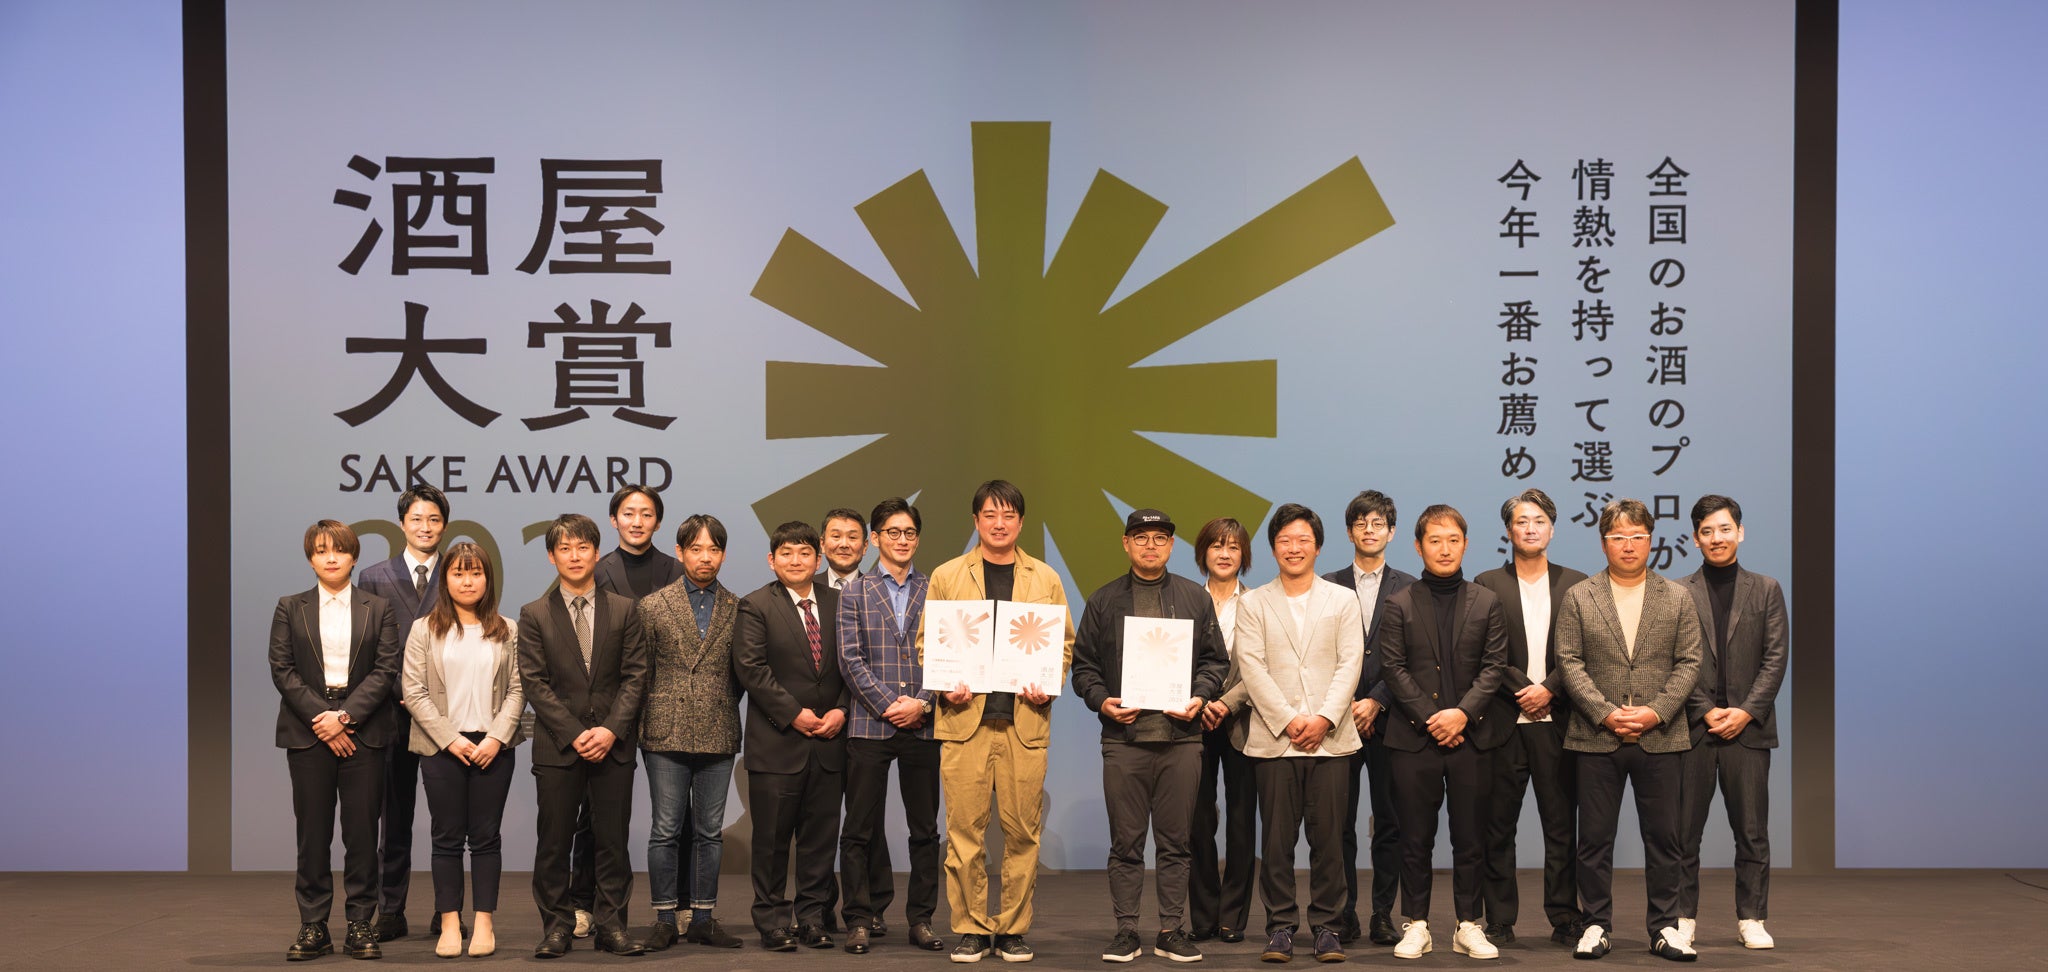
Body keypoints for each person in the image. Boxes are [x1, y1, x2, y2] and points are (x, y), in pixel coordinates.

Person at [922, 480, 1074, 964]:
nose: (999, 523)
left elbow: (1063, 645)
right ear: (976, 521)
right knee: (964, 833)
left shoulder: (1044, 578)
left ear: (1021, 522)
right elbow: (928, 643)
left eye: (1008, 515)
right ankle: (970, 928)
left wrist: (1049, 683)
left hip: (1023, 723)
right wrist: (943, 683)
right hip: (963, 722)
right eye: (990, 514)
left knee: (1022, 834)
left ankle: (1011, 929)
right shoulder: (948, 575)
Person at [1071, 509, 1231, 963]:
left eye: (1160, 538)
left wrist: (1199, 696)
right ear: (1126, 544)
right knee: (1125, 843)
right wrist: (1102, 701)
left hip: (1182, 739)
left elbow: (1215, 662)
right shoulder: (1103, 600)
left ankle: (1171, 929)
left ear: (1172, 546)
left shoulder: (1194, 598)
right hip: (1124, 741)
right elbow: (1083, 667)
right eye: (1141, 537)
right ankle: (1126, 930)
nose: (1150, 546)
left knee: (1176, 843)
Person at [1553, 499, 1702, 962]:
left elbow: (1689, 662)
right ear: (1604, 544)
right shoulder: (1581, 596)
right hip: (1597, 736)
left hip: (1662, 736)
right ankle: (1596, 924)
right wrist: (1604, 713)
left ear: (1650, 540)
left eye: (1637, 536)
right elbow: (1569, 661)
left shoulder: (1677, 596)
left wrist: (1656, 711)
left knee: (1665, 838)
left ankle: (1665, 926)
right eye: (1618, 537)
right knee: (1594, 840)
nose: (1628, 545)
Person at [1229, 503, 1365, 963]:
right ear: (1273, 549)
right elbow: (1252, 667)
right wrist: (1288, 720)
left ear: (1318, 547)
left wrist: (1324, 717)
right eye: (1285, 540)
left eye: (1303, 540)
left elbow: (1351, 663)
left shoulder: (1342, 599)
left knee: (1330, 841)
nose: (1294, 548)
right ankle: (1280, 927)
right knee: (1276, 842)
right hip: (1274, 740)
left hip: (1331, 740)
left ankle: (1328, 927)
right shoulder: (1253, 603)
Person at [1375, 505, 1508, 961]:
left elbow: (1494, 668)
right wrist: (1434, 718)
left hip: (1472, 737)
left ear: (1465, 544)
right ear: (1418, 547)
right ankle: (1416, 924)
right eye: (1435, 540)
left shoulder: (1486, 601)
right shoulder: (1399, 603)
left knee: (1471, 837)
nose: (1445, 549)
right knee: (1414, 838)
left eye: (1453, 540)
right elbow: (1393, 668)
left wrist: (1462, 715)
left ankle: (1468, 924)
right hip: (1414, 739)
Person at [517, 513, 650, 959]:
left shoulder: (625, 609)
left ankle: (612, 927)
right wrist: (576, 734)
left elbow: (636, 676)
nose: (574, 556)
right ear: (551, 556)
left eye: (583, 547)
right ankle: (557, 927)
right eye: (565, 549)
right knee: (554, 843)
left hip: (614, 745)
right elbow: (535, 683)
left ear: (596, 553)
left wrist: (610, 730)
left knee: (612, 842)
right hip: (558, 746)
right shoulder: (534, 613)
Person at [271, 519, 401, 961]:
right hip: (308, 733)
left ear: (354, 556)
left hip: (363, 731)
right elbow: (282, 669)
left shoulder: (378, 608)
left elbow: (385, 668)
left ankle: (361, 922)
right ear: (310, 558)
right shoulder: (290, 607)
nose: (331, 558)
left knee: (362, 833)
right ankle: (313, 924)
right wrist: (322, 719)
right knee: (313, 834)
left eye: (340, 550)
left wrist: (344, 718)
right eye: (321, 550)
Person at [1471, 488, 1589, 947]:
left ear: (1552, 529)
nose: (1531, 528)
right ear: (1509, 531)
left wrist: (1550, 689)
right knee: (1498, 827)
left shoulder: (1577, 583)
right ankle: (1499, 919)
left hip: (1558, 721)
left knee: (1561, 827)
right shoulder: (1486, 583)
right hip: (1504, 720)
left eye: (1539, 520)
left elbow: (1584, 651)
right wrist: (1524, 689)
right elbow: (1485, 652)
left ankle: (1564, 916)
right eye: (1522, 521)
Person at [399, 540, 526, 958]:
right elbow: (413, 691)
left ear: (488, 578)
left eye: (475, 572)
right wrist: (450, 739)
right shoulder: (424, 629)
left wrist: (496, 737)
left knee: (486, 837)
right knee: (446, 838)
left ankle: (484, 922)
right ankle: (450, 923)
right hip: (441, 747)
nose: (467, 581)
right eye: (458, 573)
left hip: (493, 745)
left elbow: (518, 689)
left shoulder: (508, 629)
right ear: (445, 579)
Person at [1673, 495, 1786, 952]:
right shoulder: (1678, 592)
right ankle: (1682, 918)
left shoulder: (1767, 589)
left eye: (1724, 529)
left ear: (1740, 532)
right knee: (1683, 833)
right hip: (1693, 729)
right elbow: (1672, 661)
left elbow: (1775, 659)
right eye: (1707, 531)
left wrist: (1744, 711)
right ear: (1695, 538)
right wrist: (1704, 709)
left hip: (1749, 730)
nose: (1716, 538)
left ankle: (1752, 918)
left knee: (1752, 831)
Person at [835, 498, 947, 953]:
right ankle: (859, 919)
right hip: (870, 725)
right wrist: (889, 704)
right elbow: (850, 659)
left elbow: (948, 654)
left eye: (910, 533)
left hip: (923, 724)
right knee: (858, 829)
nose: (902, 540)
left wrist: (921, 703)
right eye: (893, 532)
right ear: (876, 538)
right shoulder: (855, 592)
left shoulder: (937, 588)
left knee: (925, 830)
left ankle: (921, 919)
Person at [734, 521, 851, 951]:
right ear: (772, 560)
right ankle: (772, 921)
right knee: (771, 842)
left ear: (818, 559)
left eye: (804, 553)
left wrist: (842, 709)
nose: (796, 560)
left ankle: (813, 918)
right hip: (777, 743)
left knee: (820, 842)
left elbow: (854, 663)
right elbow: (751, 669)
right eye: (786, 553)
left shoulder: (840, 602)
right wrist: (793, 713)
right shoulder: (755, 605)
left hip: (829, 743)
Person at [635, 513, 747, 950]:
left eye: (713, 549)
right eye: (696, 549)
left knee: (709, 831)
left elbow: (741, 675)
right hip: (665, 732)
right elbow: (641, 673)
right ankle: (665, 918)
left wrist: (715, 702)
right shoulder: (653, 606)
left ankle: (702, 916)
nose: (705, 557)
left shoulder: (738, 607)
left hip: (718, 727)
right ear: (679, 552)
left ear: (724, 555)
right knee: (665, 829)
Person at [1322, 490, 1415, 948]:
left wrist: (1376, 700)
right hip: (1338, 720)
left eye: (1378, 523)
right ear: (1349, 532)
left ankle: (1382, 914)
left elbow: (1413, 656)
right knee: (1338, 823)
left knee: (1389, 822)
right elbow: (1319, 656)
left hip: (1391, 719)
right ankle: (1344, 914)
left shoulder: (1410, 587)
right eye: (1361, 523)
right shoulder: (1326, 584)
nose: (1369, 530)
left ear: (1391, 532)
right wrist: (1347, 705)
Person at [357, 483, 449, 941]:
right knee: (393, 818)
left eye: (434, 519)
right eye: (416, 519)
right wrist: (400, 692)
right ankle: (390, 910)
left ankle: (447, 910)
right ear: (401, 524)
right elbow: (366, 648)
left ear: (444, 525)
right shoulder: (374, 576)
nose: (425, 527)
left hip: (445, 716)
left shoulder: (459, 571)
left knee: (448, 822)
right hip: (390, 714)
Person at [1191, 518, 1259, 945]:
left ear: (1243, 556)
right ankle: (1202, 916)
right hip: (1191, 721)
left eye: (1233, 547)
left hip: (1245, 721)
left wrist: (1227, 703)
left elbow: (1264, 666)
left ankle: (1233, 915)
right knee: (1197, 821)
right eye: (1217, 545)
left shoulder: (1259, 603)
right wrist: (1200, 702)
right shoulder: (1184, 599)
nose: (1225, 553)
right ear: (1203, 552)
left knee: (1241, 821)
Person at [816, 505, 875, 933]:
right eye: (835, 536)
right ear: (822, 544)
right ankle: (818, 908)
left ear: (866, 545)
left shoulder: (880, 589)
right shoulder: (805, 588)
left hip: (868, 721)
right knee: (819, 824)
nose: (844, 543)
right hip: (818, 725)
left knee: (866, 822)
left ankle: (871, 908)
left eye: (853, 536)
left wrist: (845, 706)